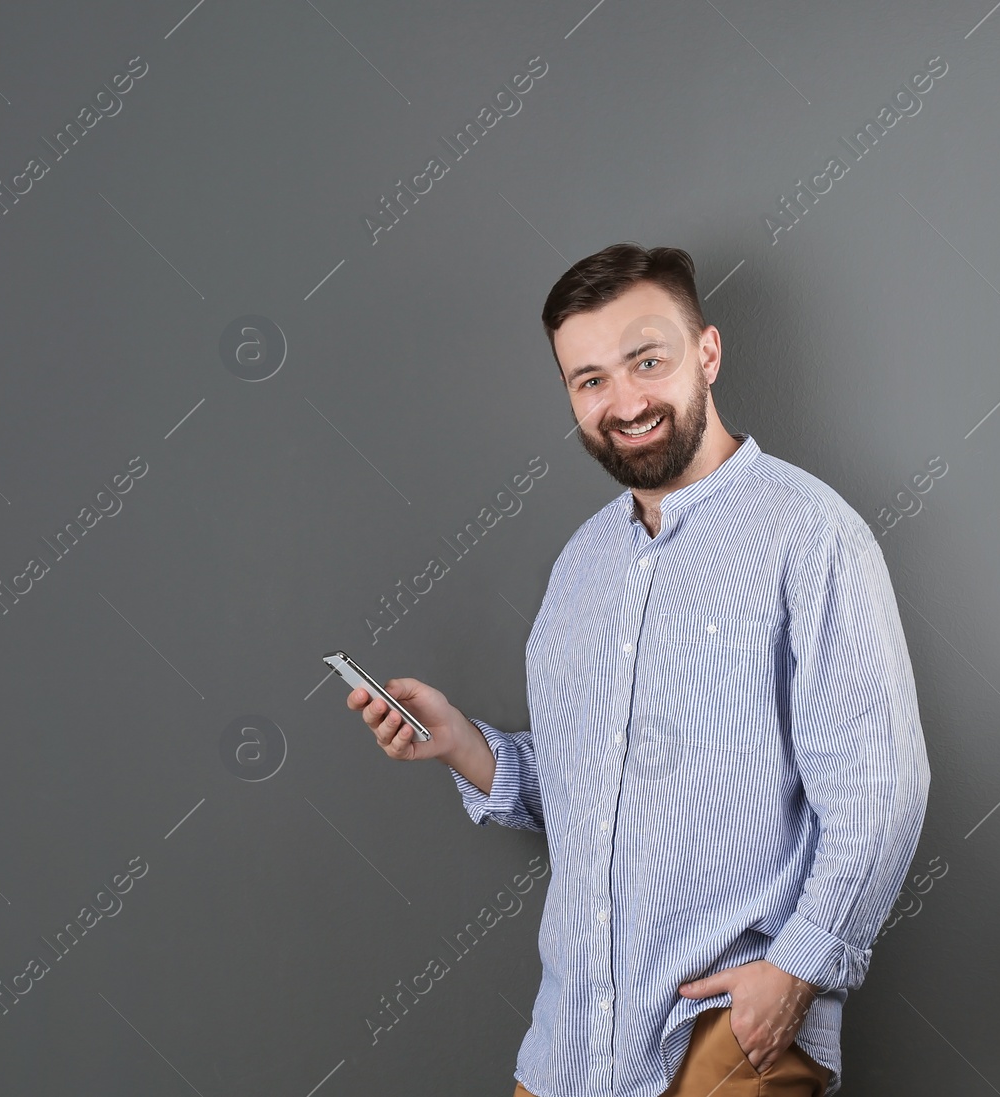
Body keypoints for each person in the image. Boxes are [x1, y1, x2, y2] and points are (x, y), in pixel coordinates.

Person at [344, 242, 930, 1096]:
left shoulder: (811, 535)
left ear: (707, 352)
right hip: (567, 1053)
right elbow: (591, 793)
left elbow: (883, 788)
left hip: (723, 1046)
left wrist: (797, 971)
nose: (624, 402)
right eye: (589, 380)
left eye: (645, 361)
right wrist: (462, 743)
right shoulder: (579, 568)